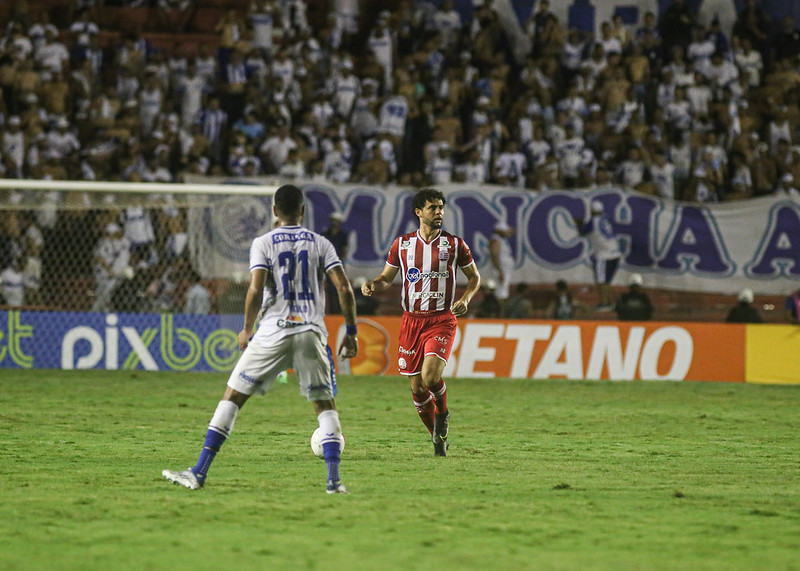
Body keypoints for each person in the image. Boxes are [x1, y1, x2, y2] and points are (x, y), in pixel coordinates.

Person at [163, 184, 359, 494]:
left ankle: (199, 472)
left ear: (273, 211)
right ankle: (334, 482)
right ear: (303, 212)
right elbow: (345, 289)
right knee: (325, 406)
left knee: (233, 397)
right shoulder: (321, 243)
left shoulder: (264, 242)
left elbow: (255, 289)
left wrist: (246, 329)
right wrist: (351, 331)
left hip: (273, 330)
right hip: (311, 331)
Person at [360, 188, 481, 457]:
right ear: (419, 212)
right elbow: (386, 278)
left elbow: (474, 277)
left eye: (441, 208)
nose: (439, 212)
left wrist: (466, 299)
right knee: (416, 387)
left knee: (430, 376)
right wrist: (372, 284)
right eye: (433, 208)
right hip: (411, 321)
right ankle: (437, 438)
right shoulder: (402, 245)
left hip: (441, 320)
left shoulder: (454, 245)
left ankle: (443, 413)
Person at [574, 200, 622, 311]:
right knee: (608, 281)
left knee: (601, 281)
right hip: (615, 252)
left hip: (604, 255)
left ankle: (605, 303)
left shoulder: (593, 221)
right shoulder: (606, 219)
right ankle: (613, 302)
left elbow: (583, 232)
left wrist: (578, 224)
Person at [322, 211, 350, 314]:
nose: (335, 223)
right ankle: (329, 312)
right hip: (326, 265)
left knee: (338, 288)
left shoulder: (342, 235)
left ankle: (338, 311)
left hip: (338, 266)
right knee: (326, 289)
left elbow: (344, 250)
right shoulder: (325, 234)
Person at [488, 221, 515, 317]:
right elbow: (495, 256)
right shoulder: (496, 241)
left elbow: (512, 231)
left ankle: (502, 315)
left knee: (503, 294)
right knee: (501, 295)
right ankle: (501, 316)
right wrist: (500, 272)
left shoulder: (502, 240)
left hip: (504, 270)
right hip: (501, 270)